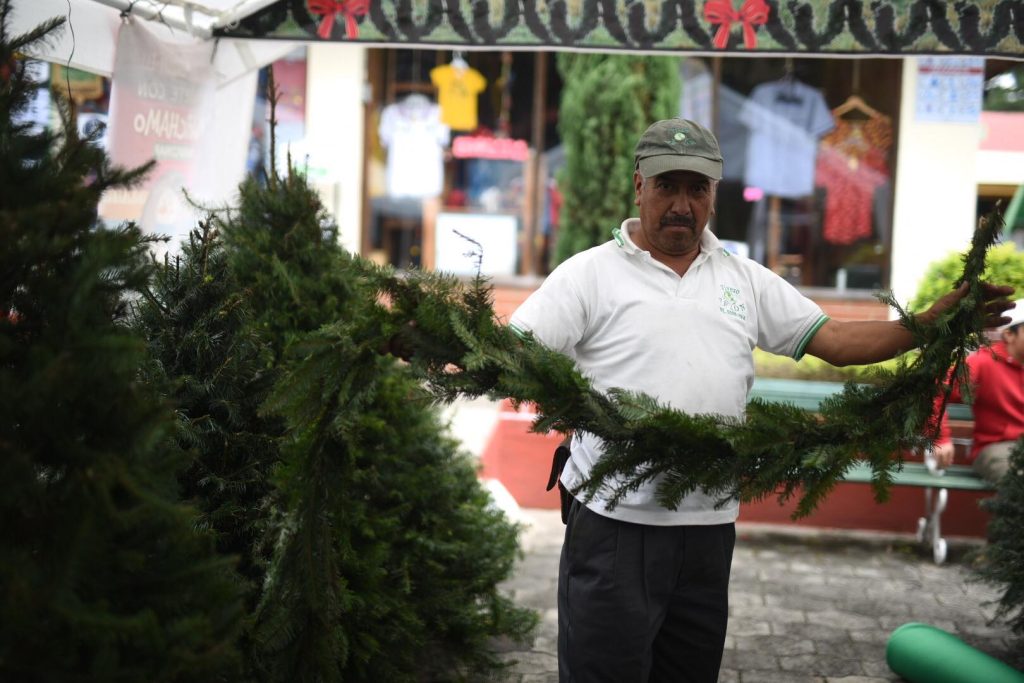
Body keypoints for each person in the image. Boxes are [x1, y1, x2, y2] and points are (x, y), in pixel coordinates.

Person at [507, 118, 1014, 683]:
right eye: (667, 186)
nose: (682, 204)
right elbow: (505, 353)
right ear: (639, 186)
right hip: (615, 527)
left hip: (708, 527)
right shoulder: (587, 276)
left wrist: (928, 325)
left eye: (696, 189)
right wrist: (428, 342)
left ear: (714, 195)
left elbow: (839, 343)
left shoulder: (744, 279)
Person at [931, 299, 1024, 483]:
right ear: (1008, 334)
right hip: (998, 449)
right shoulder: (983, 362)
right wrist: (940, 438)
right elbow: (936, 391)